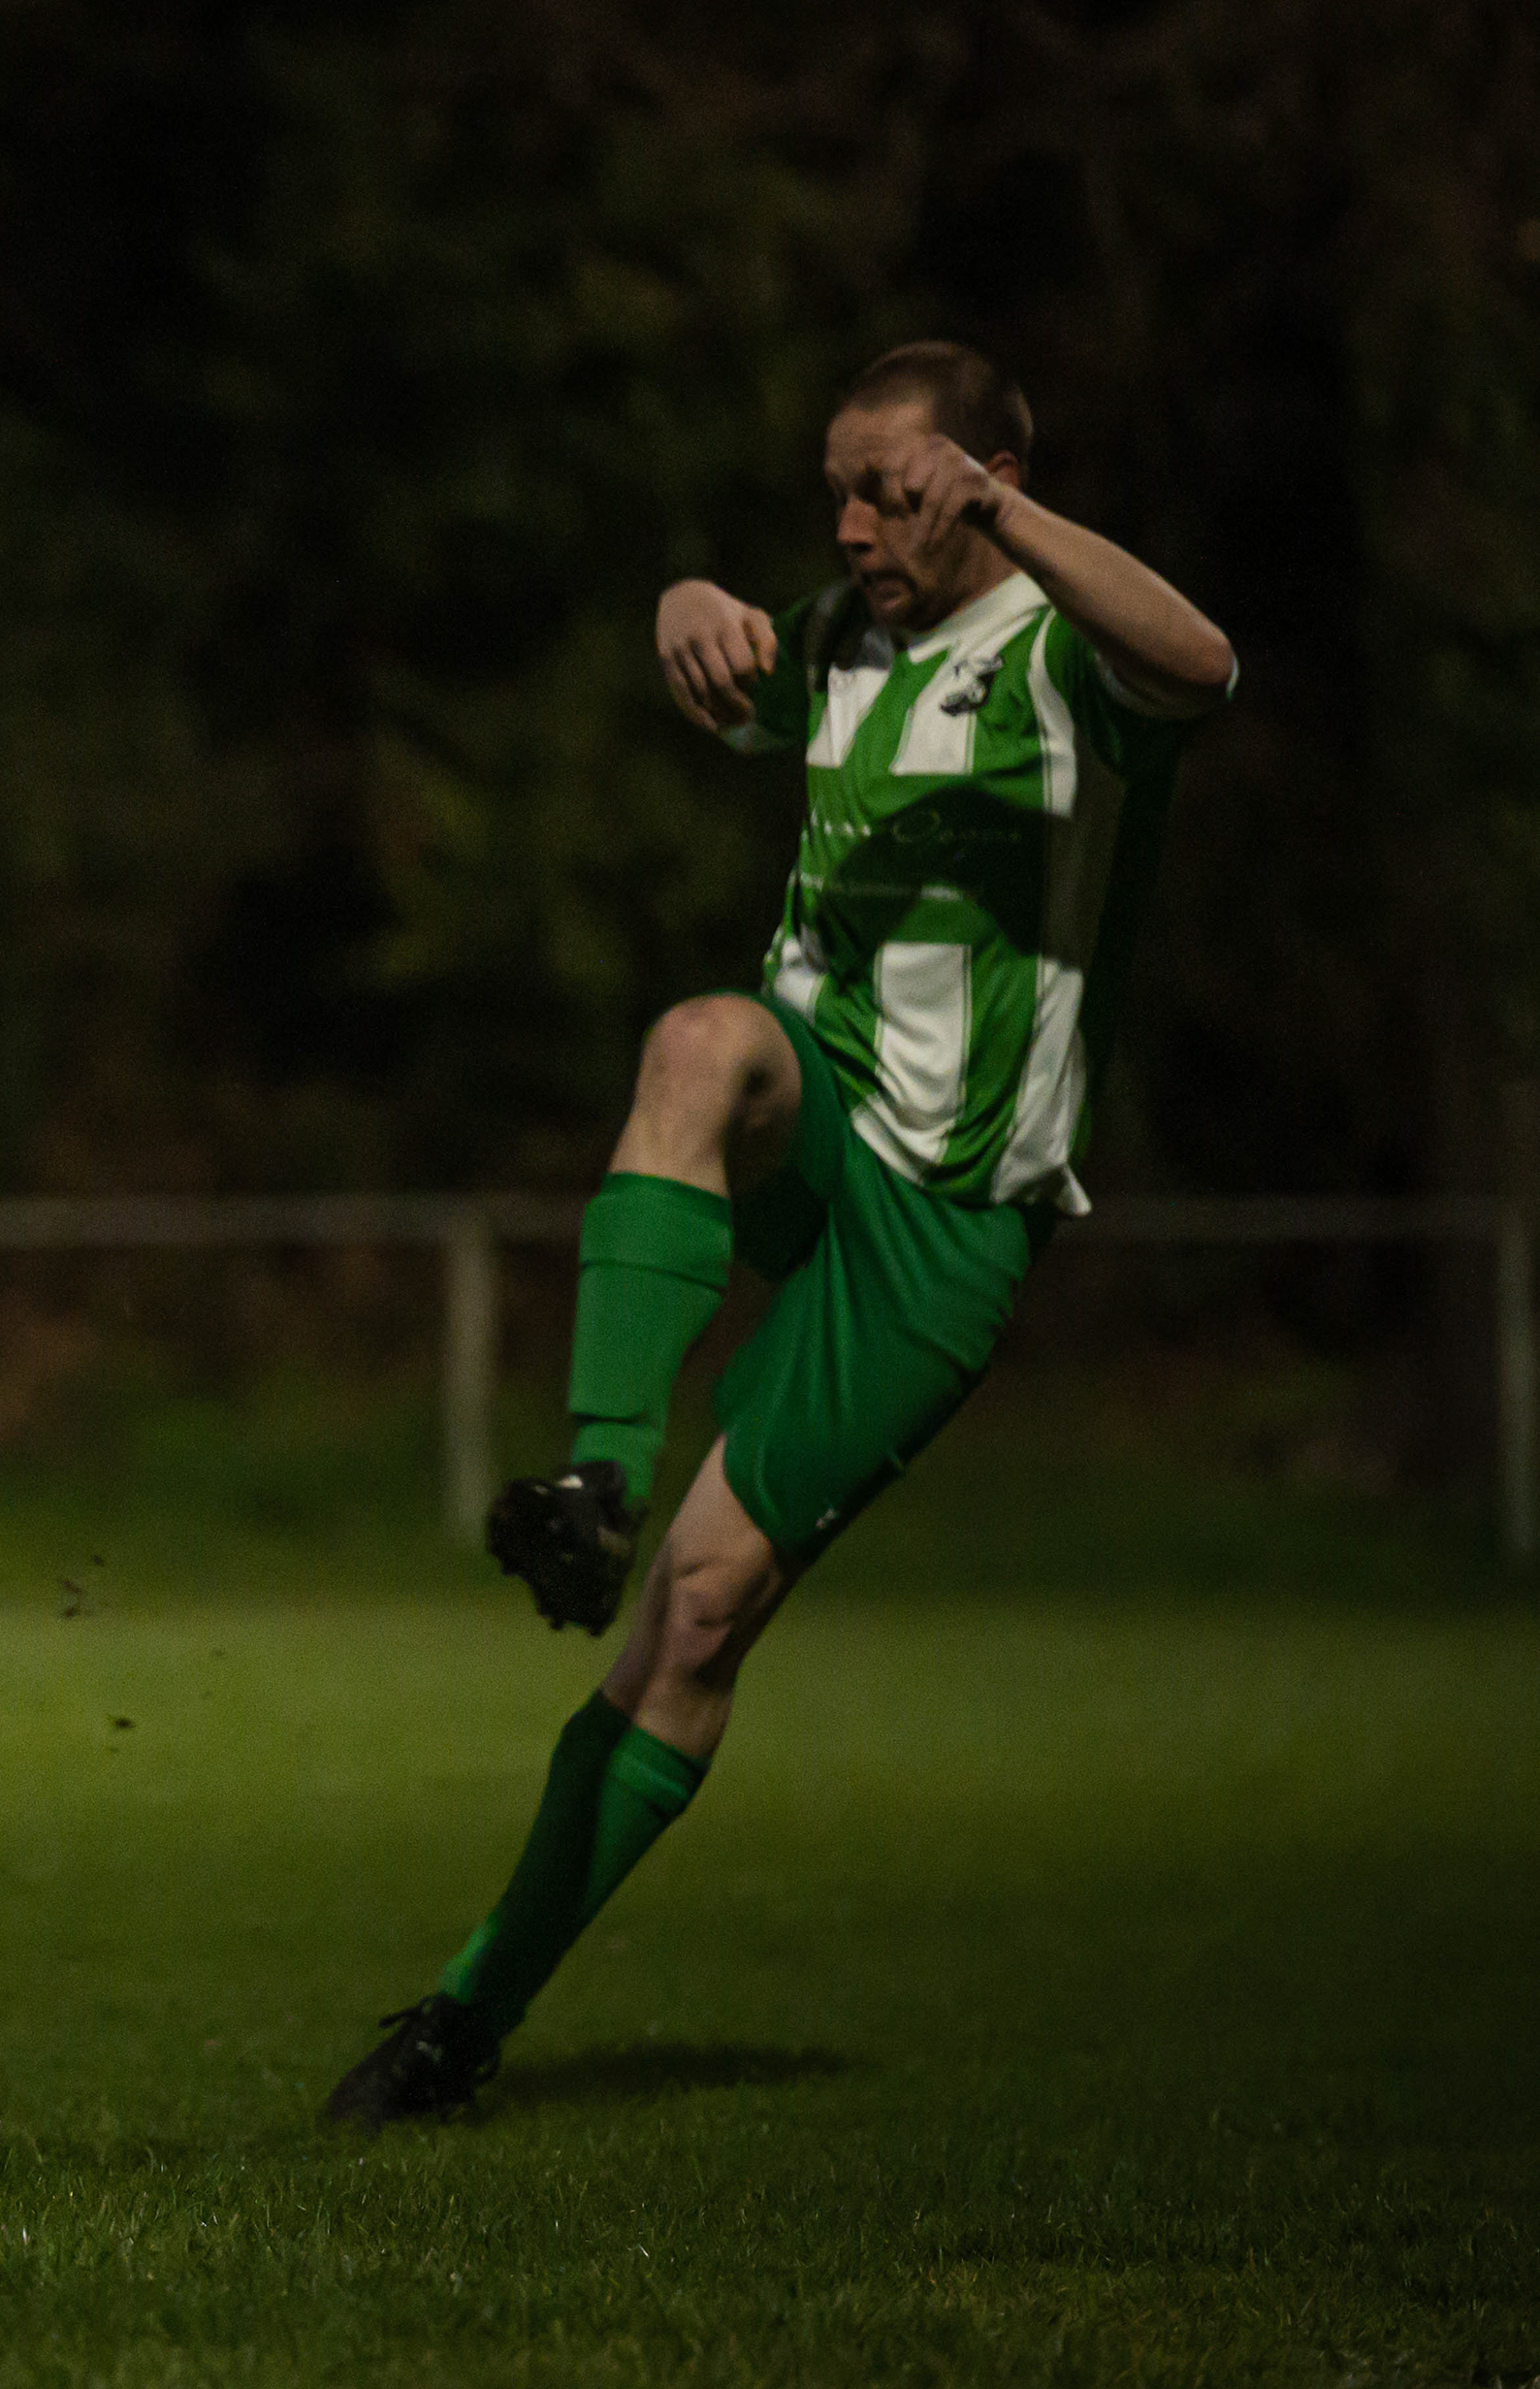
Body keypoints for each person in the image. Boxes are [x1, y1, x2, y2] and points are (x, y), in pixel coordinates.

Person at [327, 343, 1238, 2127]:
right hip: (812, 1111)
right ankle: (598, 1480)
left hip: (947, 1222)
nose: (850, 527)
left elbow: (1204, 661)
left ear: (979, 481)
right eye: (837, 493)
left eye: (887, 490)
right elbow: (719, 665)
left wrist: (1020, 524)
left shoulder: (1069, 653)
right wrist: (678, 601)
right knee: (698, 1041)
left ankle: (462, 2020)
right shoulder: (839, 639)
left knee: (701, 1619)